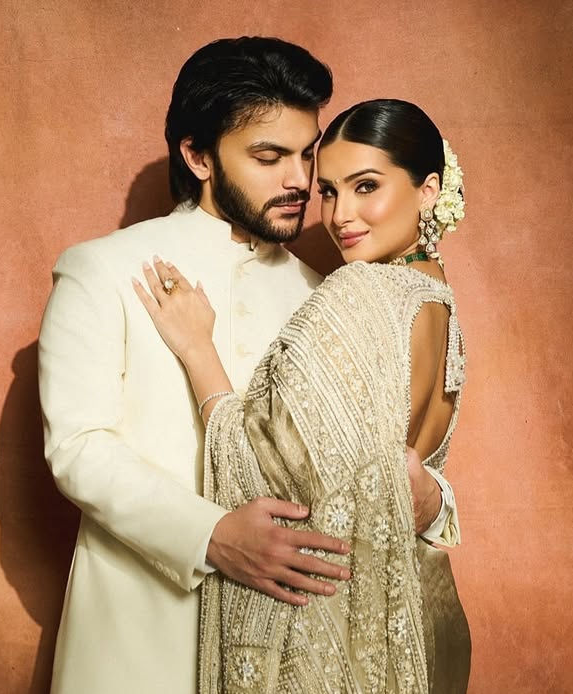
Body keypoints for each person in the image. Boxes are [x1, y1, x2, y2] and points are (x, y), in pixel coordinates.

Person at [37, 37, 460, 692]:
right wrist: (210, 535)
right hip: (141, 631)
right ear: (198, 156)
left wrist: (434, 502)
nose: (299, 182)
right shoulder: (103, 269)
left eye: (307, 155)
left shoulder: (328, 291)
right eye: (269, 157)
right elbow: (79, 448)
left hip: (287, 651)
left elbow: (385, 459)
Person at [133, 99, 471, 693]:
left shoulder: (360, 291)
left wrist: (197, 349)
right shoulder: (441, 304)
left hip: (330, 633)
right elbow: (406, 473)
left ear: (428, 190)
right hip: (416, 625)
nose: (341, 216)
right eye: (330, 192)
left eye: (367, 187)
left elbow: (266, 467)